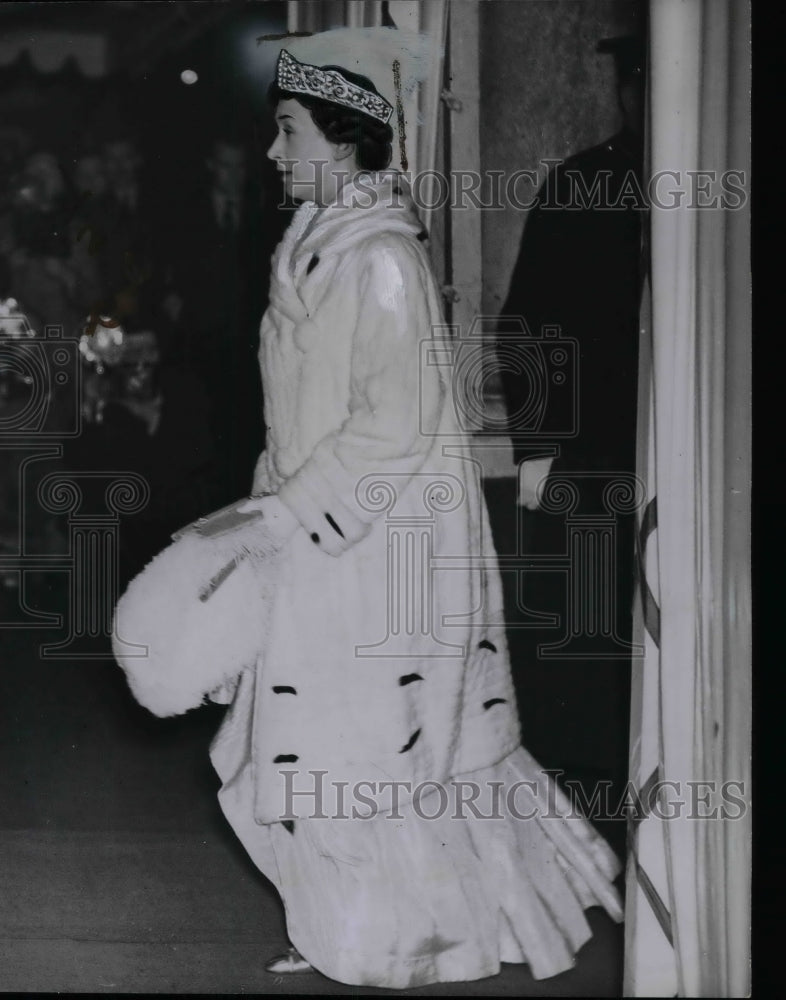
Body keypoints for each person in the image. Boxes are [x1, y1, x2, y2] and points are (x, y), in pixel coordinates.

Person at [195, 47, 624, 989]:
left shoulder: (384, 258)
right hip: (316, 530)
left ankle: (415, 937)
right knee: (312, 745)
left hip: (378, 545)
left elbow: (388, 431)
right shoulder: (313, 240)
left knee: (376, 748)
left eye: (288, 130)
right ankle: (348, 926)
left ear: (344, 142)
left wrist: (287, 517)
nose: (273, 151)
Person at [499, 35, 646, 842]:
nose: (643, 98)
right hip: (594, 452)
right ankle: (590, 830)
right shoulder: (582, 184)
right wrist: (539, 451)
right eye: (634, 80)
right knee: (592, 642)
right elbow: (527, 326)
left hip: (685, 455)